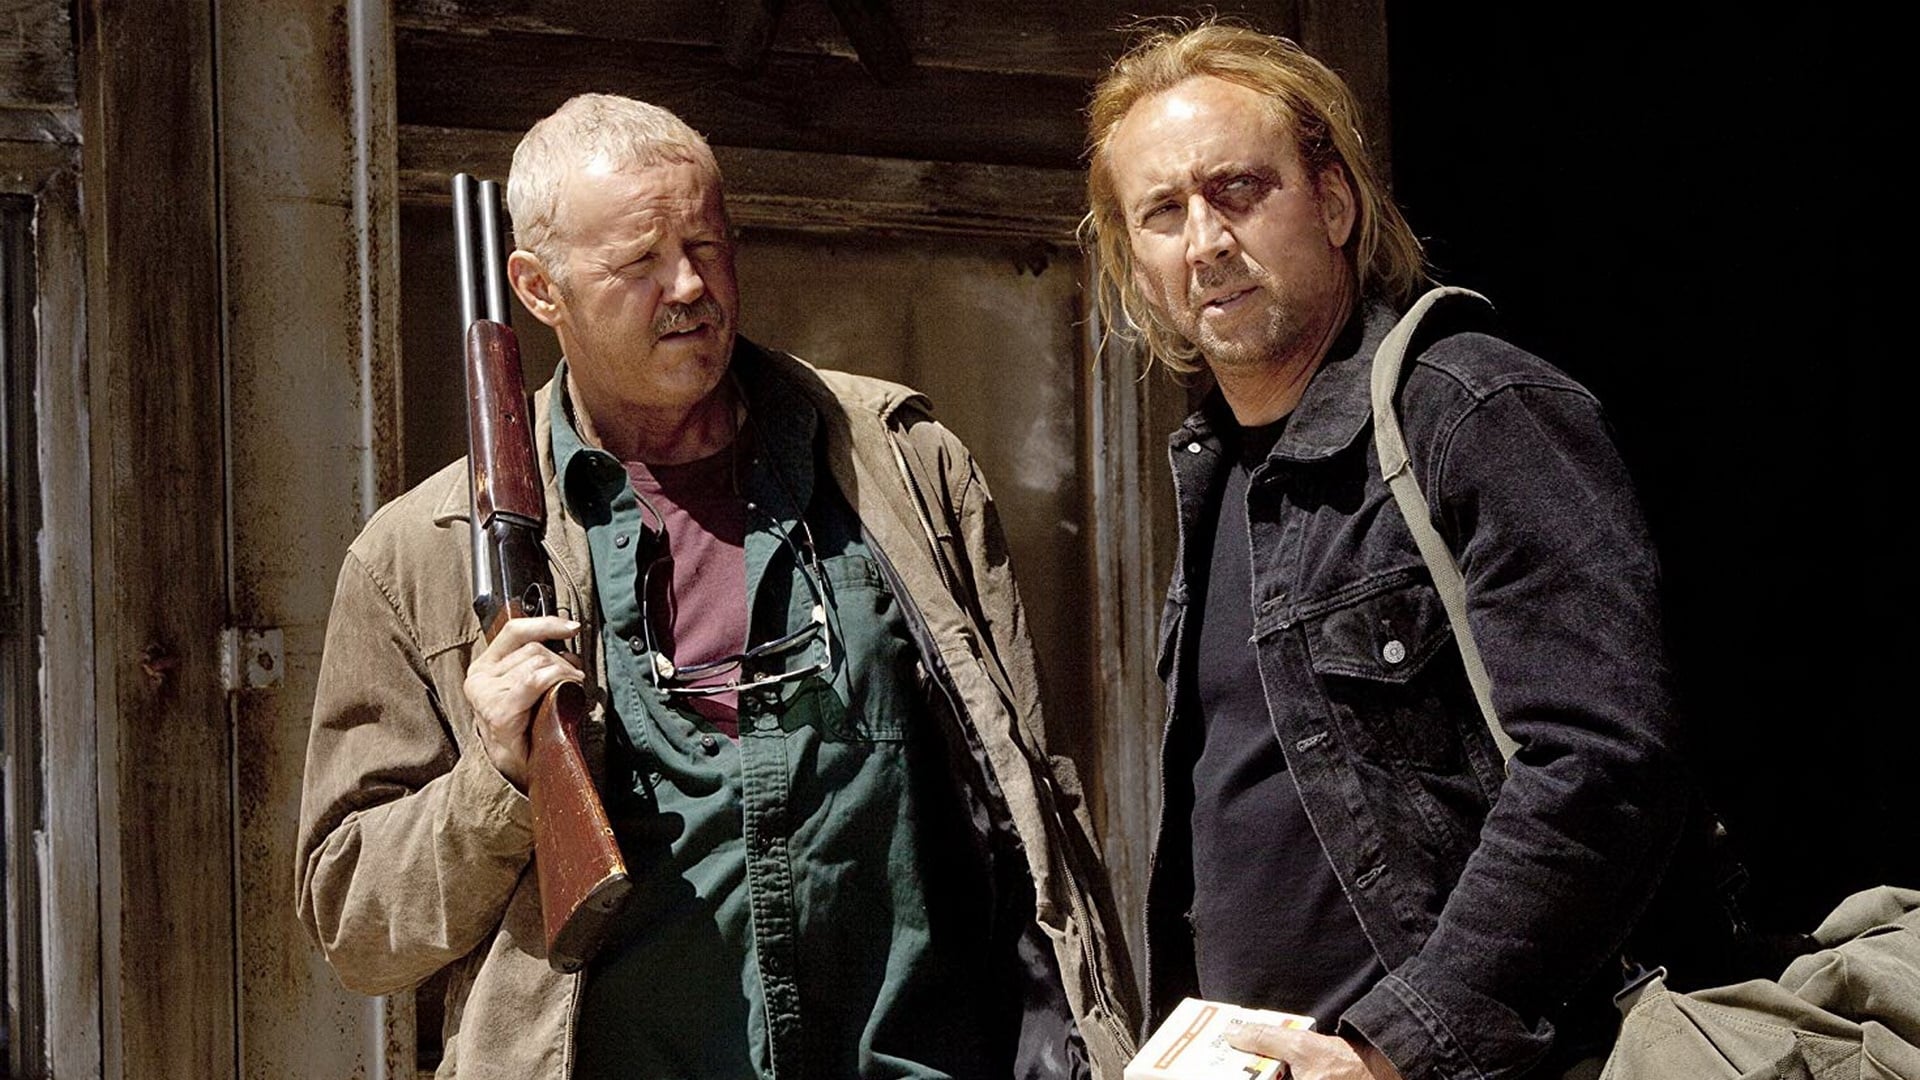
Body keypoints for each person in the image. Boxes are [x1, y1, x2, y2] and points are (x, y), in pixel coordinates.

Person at [296, 93, 1137, 1079]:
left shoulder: (905, 466)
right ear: (538, 288)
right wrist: (499, 780)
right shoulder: (416, 555)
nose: (690, 285)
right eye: (641, 262)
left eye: (706, 244)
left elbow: (1036, 800)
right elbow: (355, 923)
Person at [1081, 23, 1689, 1080]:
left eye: (1237, 190)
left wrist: (1394, 1049)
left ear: (1333, 202)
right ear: (1136, 264)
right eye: (1163, 212)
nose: (1206, 241)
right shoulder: (1218, 480)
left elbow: (1603, 763)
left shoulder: (1474, 409)